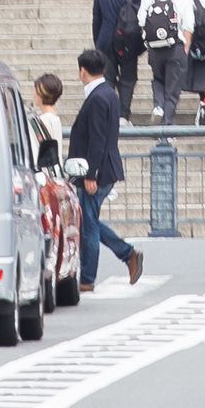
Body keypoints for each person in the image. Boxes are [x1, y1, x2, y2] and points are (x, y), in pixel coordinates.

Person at [67, 50, 143, 292]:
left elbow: (97, 139)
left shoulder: (98, 97)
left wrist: (91, 175)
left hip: (97, 172)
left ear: (82, 71)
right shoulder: (107, 93)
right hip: (102, 168)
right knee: (89, 222)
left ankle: (89, 278)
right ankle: (127, 254)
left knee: (88, 225)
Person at [140, 0, 189, 118]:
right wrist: (185, 49)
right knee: (173, 87)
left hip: (154, 46)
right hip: (176, 47)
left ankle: (158, 106)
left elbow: (141, 21)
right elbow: (188, 26)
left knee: (158, 78)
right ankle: (167, 126)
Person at [89, 0, 145, 77]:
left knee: (108, 78)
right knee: (128, 79)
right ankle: (124, 97)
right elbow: (140, 16)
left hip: (105, 39)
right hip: (128, 38)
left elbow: (96, 19)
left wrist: (98, 41)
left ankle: (109, 97)